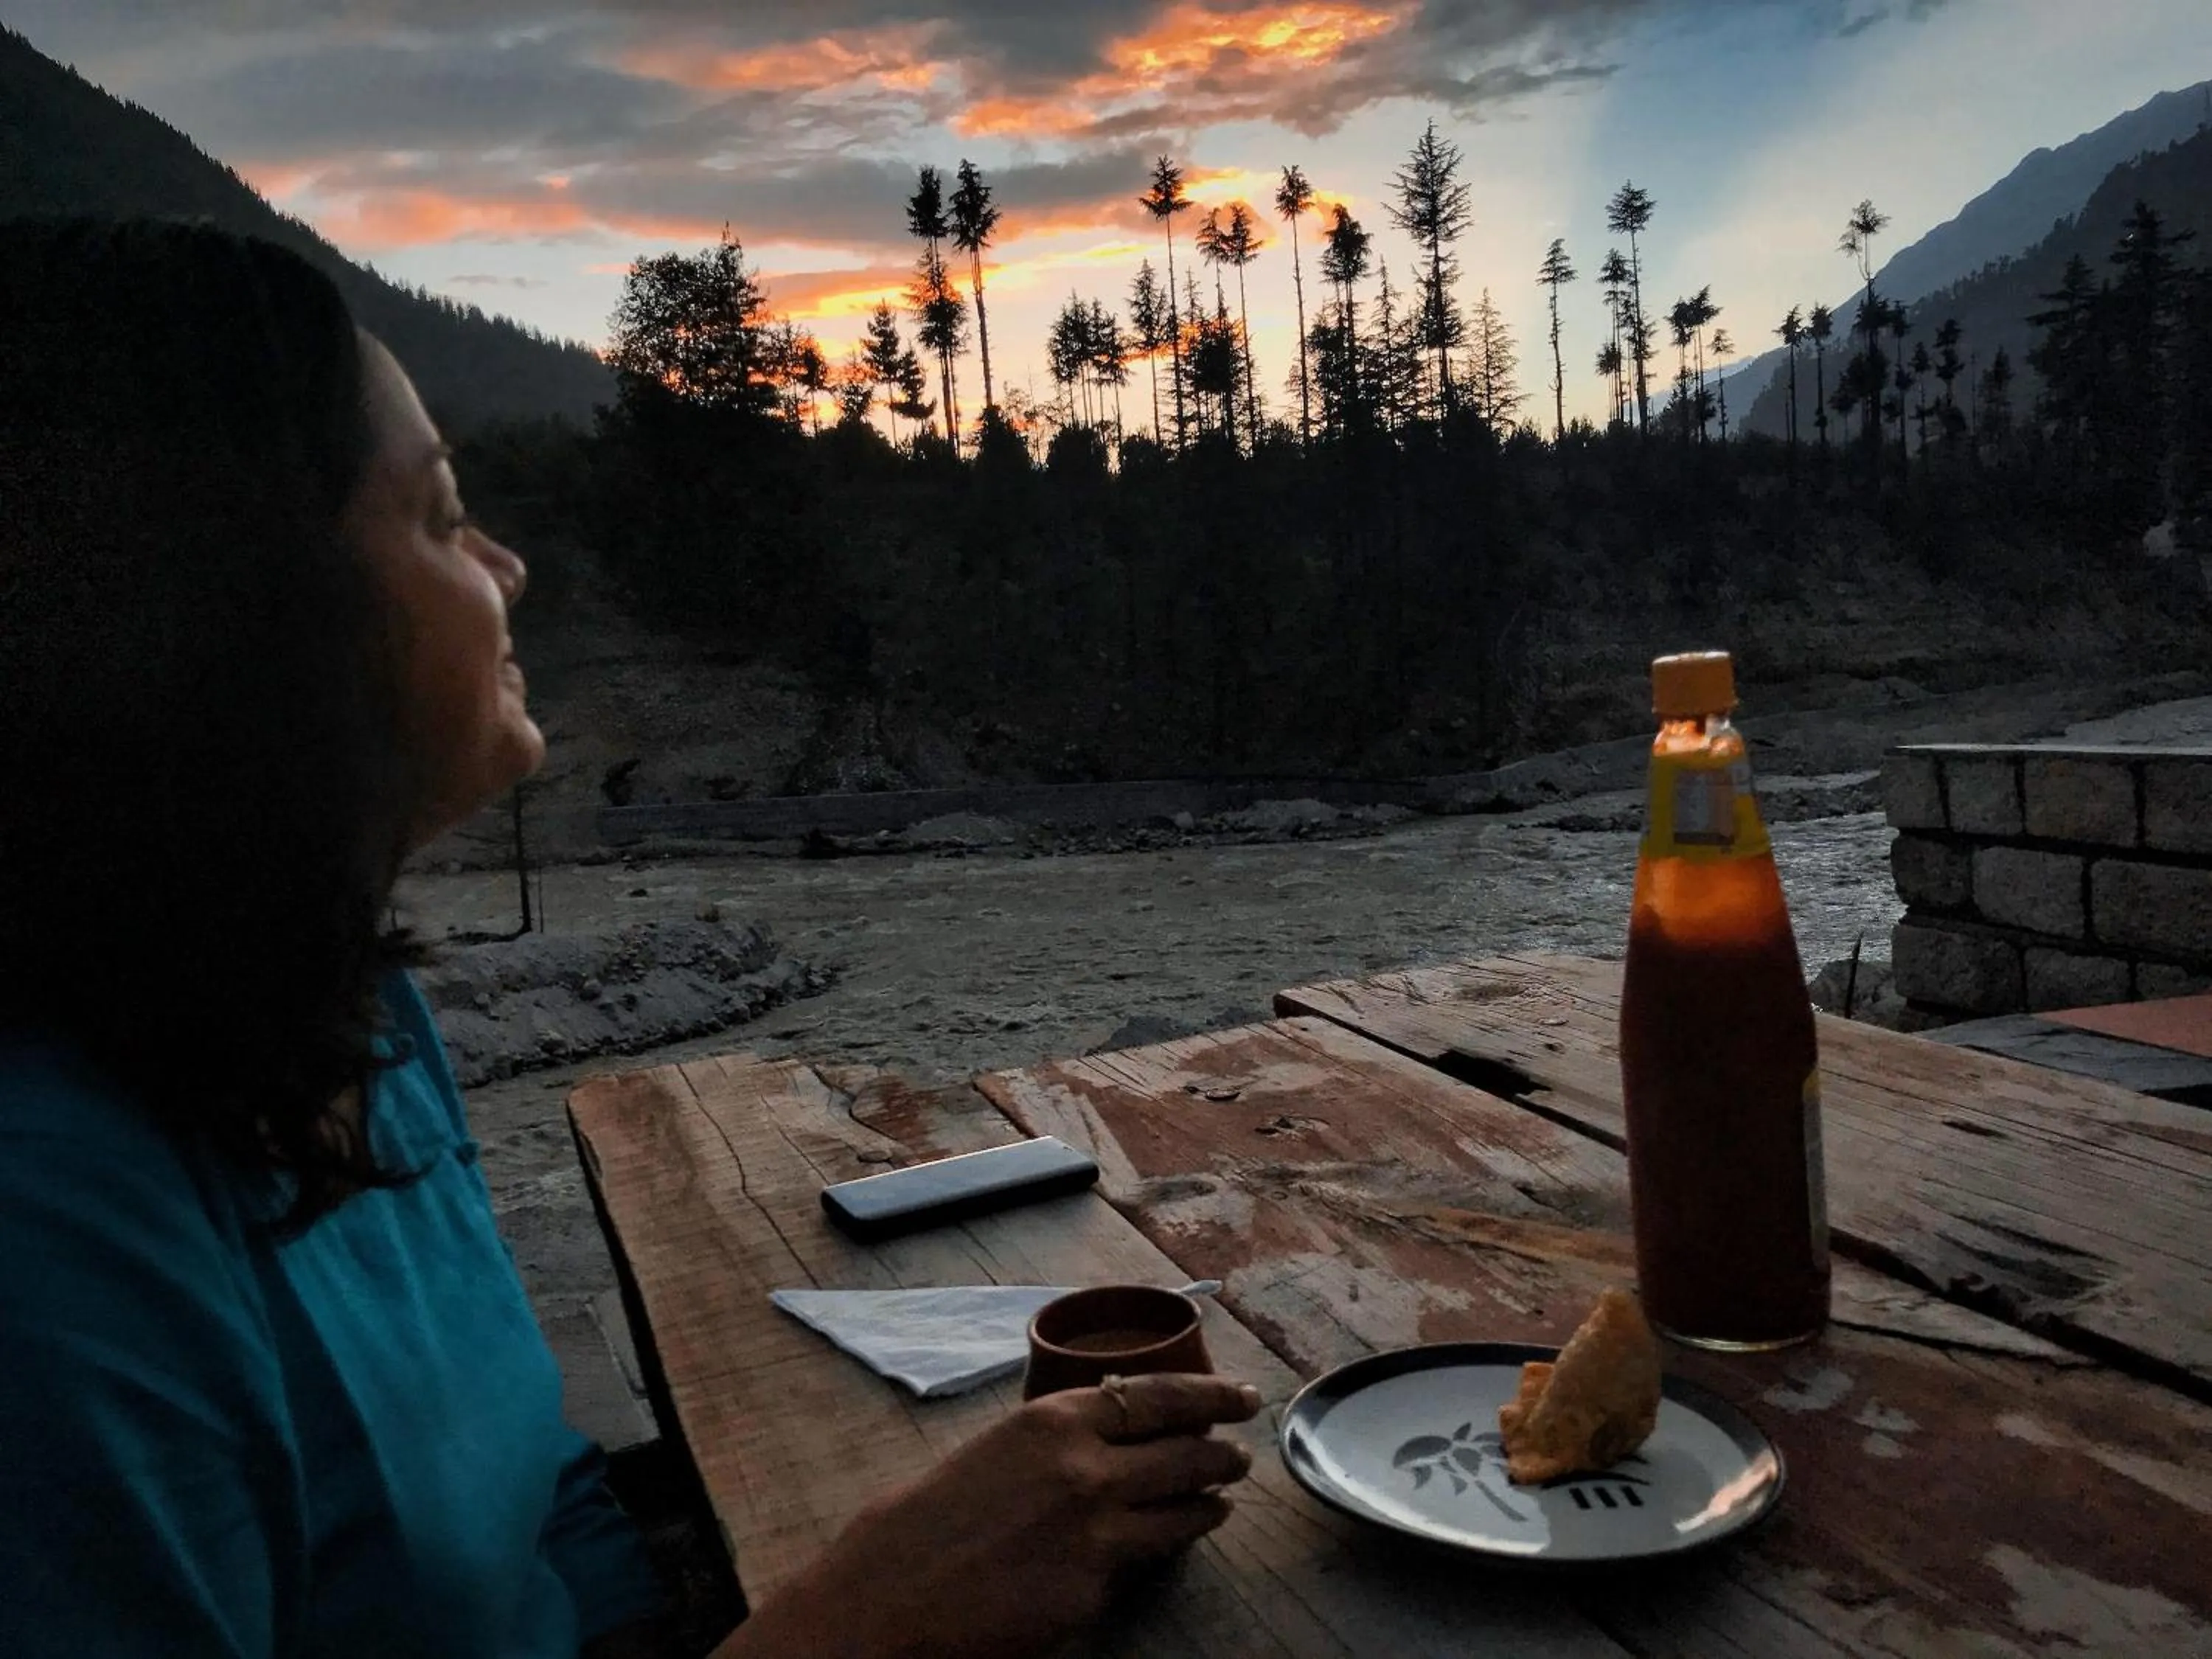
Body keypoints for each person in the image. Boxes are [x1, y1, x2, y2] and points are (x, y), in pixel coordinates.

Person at [0, 218, 1259, 1658]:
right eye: (442, 516)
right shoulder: (50, 1240)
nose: (509, 566)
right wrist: (857, 1621)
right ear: (239, 608)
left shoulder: (343, 1015)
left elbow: (546, 1506)